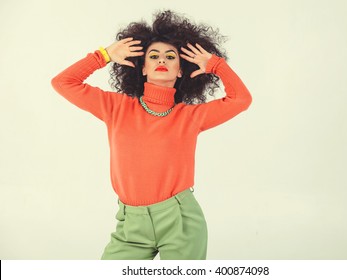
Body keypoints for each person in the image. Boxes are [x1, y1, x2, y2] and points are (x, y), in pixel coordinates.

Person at [51, 10, 252, 260]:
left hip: (180, 222)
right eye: (153, 55)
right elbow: (63, 83)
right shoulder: (116, 107)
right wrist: (103, 56)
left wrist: (216, 66)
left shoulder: (190, 117)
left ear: (181, 71)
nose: (162, 60)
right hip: (130, 225)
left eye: (171, 57)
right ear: (143, 67)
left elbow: (241, 100)